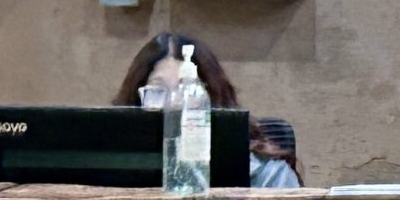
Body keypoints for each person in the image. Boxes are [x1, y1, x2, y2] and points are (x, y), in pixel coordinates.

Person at [113, 32, 303, 188]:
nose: (174, 104)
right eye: (158, 91)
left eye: (185, 89)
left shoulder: (266, 176)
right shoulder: (114, 170)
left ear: (212, 98)